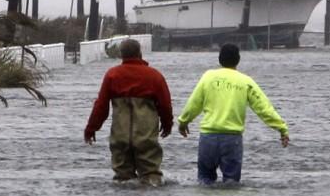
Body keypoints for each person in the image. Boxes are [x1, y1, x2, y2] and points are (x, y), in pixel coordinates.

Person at [177, 43, 289, 185]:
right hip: (232, 140)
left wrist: (183, 122)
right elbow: (264, 108)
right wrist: (282, 128)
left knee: (204, 181)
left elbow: (194, 103)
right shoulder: (245, 81)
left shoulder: (208, 77)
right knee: (231, 184)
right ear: (238, 59)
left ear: (219, 59)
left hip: (208, 138)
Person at [84, 38, 173, 186]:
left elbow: (101, 106)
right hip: (146, 137)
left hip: (120, 136)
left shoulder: (112, 75)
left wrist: (91, 128)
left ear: (121, 55)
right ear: (140, 53)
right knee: (151, 177)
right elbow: (165, 105)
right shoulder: (154, 76)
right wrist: (167, 124)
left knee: (122, 179)